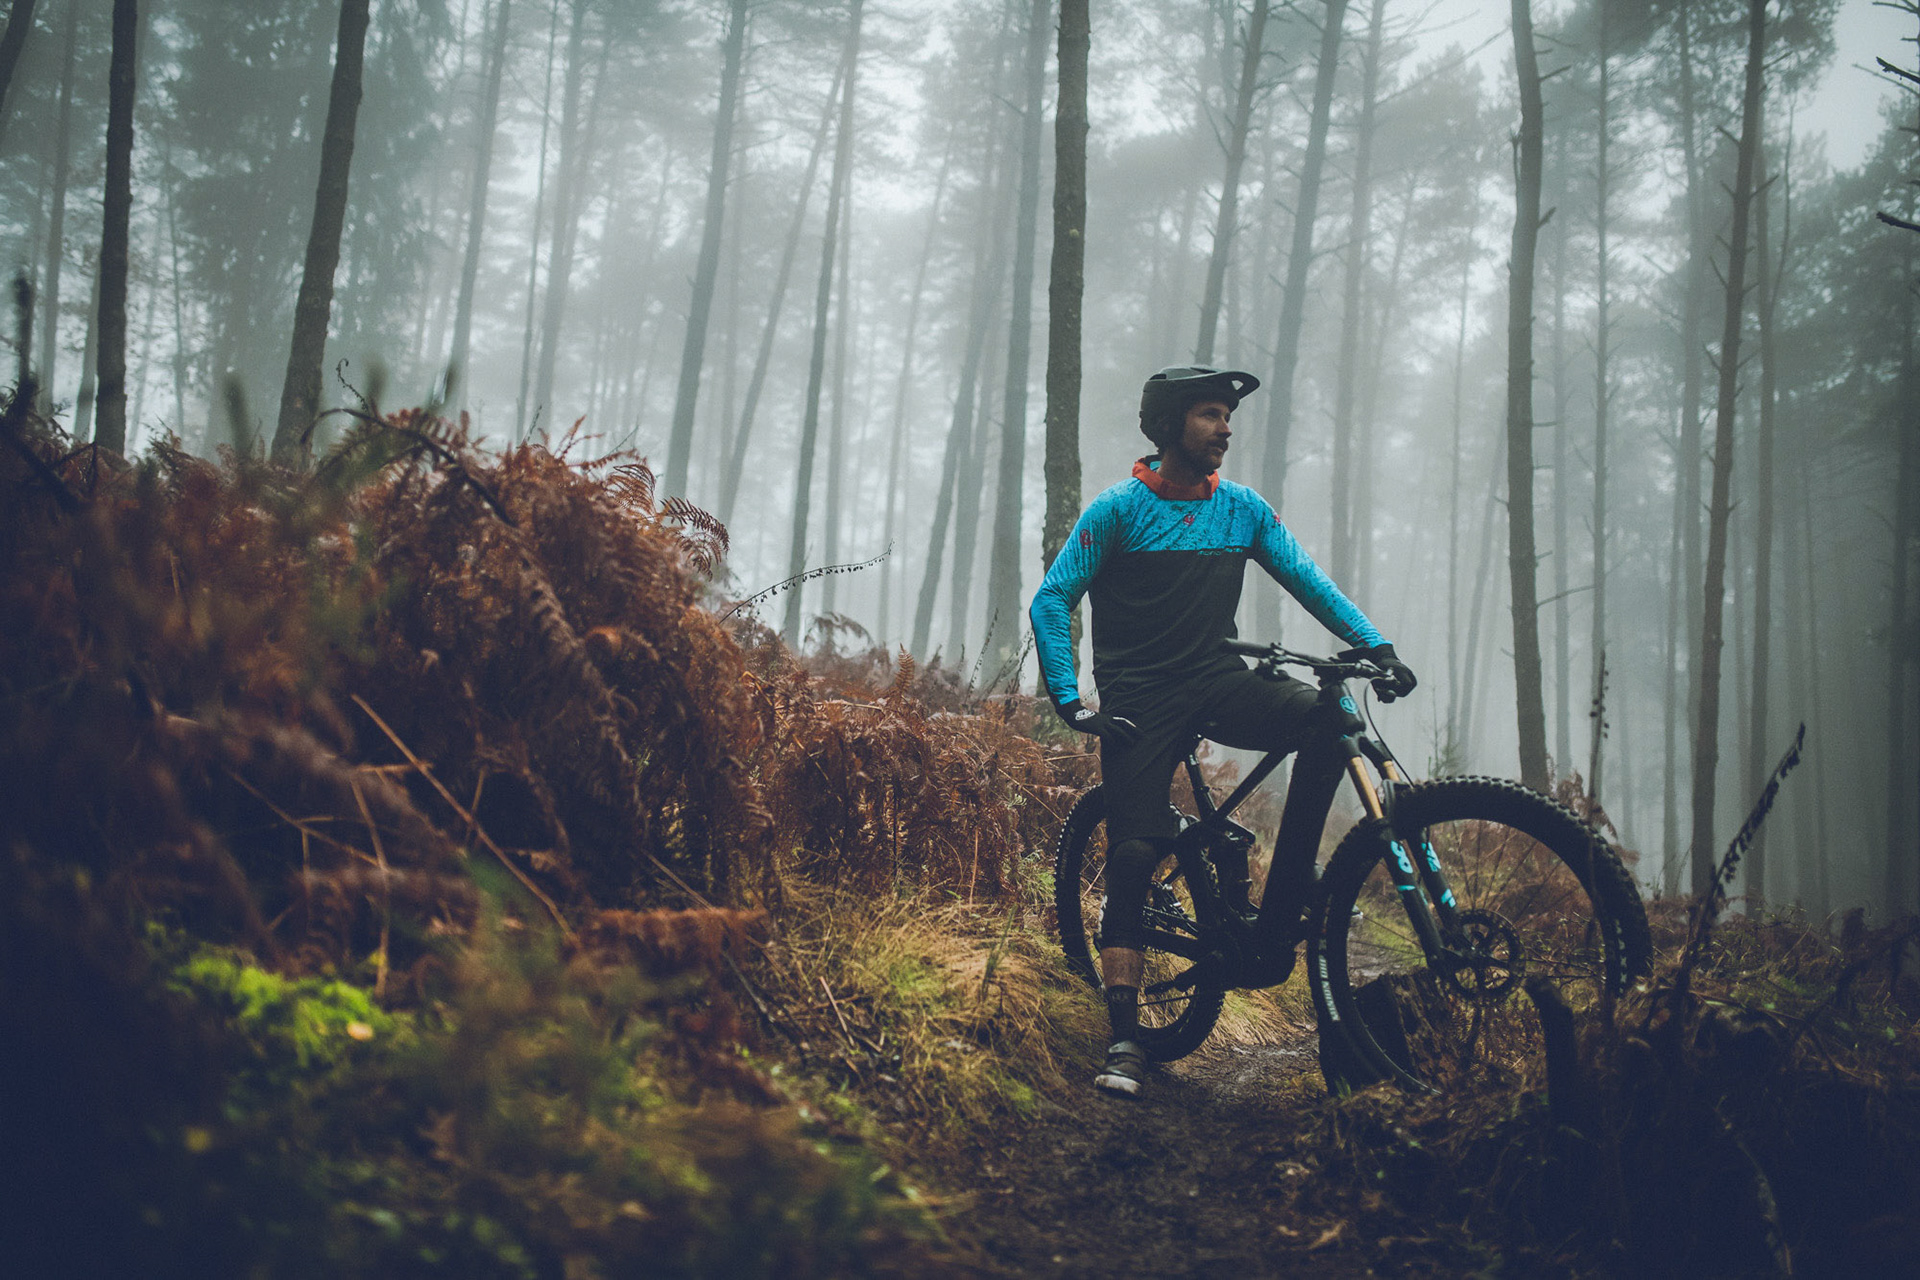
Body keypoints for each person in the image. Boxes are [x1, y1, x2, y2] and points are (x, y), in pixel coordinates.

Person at [1028, 365, 1415, 1097]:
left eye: (1227, 417)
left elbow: (1308, 579)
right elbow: (1053, 599)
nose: (1226, 429)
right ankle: (1125, 1038)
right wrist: (1071, 702)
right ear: (1168, 425)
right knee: (1135, 850)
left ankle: (1287, 898)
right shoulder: (1118, 510)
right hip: (1141, 694)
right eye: (1210, 414)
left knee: (1327, 718)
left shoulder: (1241, 509)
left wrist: (1376, 645)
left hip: (1215, 676)